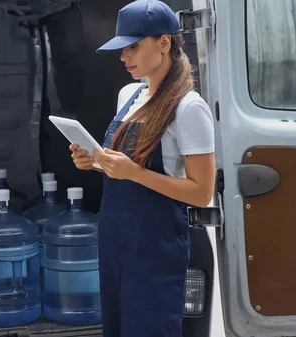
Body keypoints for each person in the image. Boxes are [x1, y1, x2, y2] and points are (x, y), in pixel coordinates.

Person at [69, 0, 216, 336]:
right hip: (117, 240)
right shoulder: (128, 95)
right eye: (122, 49)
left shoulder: (190, 108)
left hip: (155, 246)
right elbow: (124, 169)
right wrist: (96, 163)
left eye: (133, 47)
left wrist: (133, 172)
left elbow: (201, 192)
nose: (124, 57)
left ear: (164, 43)